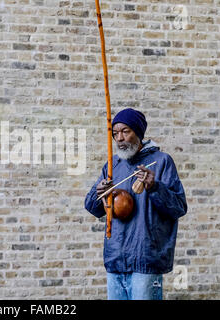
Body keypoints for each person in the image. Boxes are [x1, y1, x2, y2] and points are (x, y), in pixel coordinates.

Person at [84, 108, 187, 300]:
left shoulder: (161, 162)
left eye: (125, 131)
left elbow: (179, 207)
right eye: (115, 134)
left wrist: (155, 187)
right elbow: (92, 207)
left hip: (145, 259)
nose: (119, 138)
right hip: (115, 258)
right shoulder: (112, 165)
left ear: (138, 133)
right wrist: (98, 193)